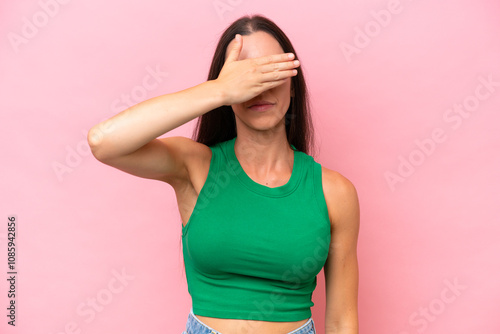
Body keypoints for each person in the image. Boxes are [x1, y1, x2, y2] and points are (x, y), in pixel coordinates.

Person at [88, 14, 359, 334]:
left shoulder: (334, 192)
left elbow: (342, 320)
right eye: (245, 76)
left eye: (270, 72)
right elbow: (104, 142)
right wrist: (219, 91)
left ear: (293, 85)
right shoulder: (195, 166)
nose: (258, 87)